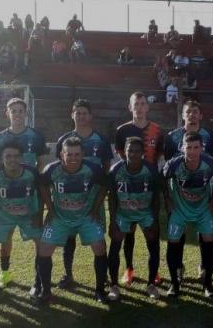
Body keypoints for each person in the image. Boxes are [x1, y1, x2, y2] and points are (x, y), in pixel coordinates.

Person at [37, 137, 109, 304]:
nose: (73, 158)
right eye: (69, 154)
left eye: (77, 154)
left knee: (100, 247)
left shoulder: (93, 169)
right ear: (62, 154)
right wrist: (51, 209)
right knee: (44, 249)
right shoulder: (51, 169)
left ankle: (100, 291)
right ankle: (46, 291)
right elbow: (42, 186)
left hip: (85, 217)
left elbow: (105, 185)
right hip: (60, 217)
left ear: (83, 154)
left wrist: (94, 209)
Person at [0, 98, 49, 287]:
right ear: (7, 113)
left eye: (20, 111)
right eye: (13, 111)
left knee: (37, 237)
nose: (17, 114)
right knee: (6, 236)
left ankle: (38, 279)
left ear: (26, 113)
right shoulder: (0, 138)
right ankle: (5, 273)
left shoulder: (36, 136)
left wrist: (33, 183)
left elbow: (41, 163)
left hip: (30, 195)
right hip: (7, 195)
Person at [55, 99, 114, 289]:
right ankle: (68, 275)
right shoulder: (64, 140)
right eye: (77, 113)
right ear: (72, 115)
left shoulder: (101, 140)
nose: (81, 116)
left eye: (84, 113)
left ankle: (103, 275)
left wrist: (99, 194)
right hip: (70, 198)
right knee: (69, 238)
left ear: (91, 116)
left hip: (93, 198)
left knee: (97, 237)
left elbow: (106, 168)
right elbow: (59, 168)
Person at [0, 142, 43, 301]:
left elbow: (42, 194)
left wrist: (38, 215)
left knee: (43, 245)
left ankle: (38, 284)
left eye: (16, 156)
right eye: (8, 156)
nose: (12, 159)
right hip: (1, 217)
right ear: (1, 158)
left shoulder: (32, 173)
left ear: (21, 158)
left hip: (28, 216)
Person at [114, 92, 166, 285]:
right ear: (130, 107)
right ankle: (129, 269)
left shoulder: (157, 130)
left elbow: (159, 156)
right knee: (129, 230)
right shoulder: (122, 130)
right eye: (136, 104)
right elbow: (121, 155)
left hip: (149, 187)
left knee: (152, 228)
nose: (140, 107)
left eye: (143, 103)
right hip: (129, 187)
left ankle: (154, 271)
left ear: (147, 107)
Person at [163, 133, 213, 297]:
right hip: (180, 210)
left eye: (196, 147)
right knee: (173, 241)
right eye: (189, 147)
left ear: (202, 148)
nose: (192, 151)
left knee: (209, 239)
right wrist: (168, 199)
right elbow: (163, 179)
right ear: (182, 148)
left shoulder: (210, 163)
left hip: (202, 210)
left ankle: (207, 284)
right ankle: (174, 284)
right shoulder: (173, 164)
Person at [107, 138, 161, 299]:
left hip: (145, 213)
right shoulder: (116, 170)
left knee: (153, 245)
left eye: (137, 151)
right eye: (130, 150)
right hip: (123, 213)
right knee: (115, 246)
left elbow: (156, 197)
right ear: (125, 152)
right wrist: (113, 221)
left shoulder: (151, 170)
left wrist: (155, 220)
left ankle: (151, 285)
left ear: (143, 153)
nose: (133, 154)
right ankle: (114, 286)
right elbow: (112, 198)